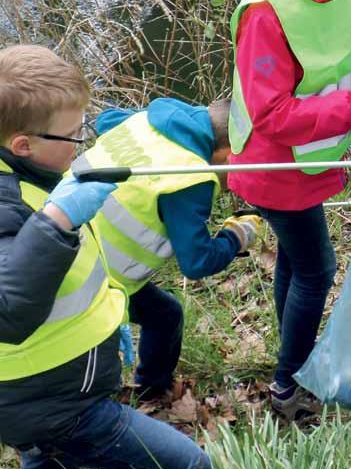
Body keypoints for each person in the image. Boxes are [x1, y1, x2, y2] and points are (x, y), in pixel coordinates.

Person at [0, 45, 210, 469]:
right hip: (55, 404)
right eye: (71, 134)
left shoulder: (30, 174)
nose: (80, 142)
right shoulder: (11, 205)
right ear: (24, 143)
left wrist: (106, 319)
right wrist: (58, 218)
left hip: (44, 392)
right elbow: (10, 308)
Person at [228, 0, 351, 420]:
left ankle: (290, 362)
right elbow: (271, 114)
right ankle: (289, 384)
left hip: (314, 155)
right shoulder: (266, 10)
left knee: (294, 258)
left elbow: (343, 45)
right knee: (316, 268)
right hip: (274, 165)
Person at [72, 96, 262, 401]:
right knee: (145, 327)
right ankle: (133, 398)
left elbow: (106, 118)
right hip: (93, 278)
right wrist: (236, 236)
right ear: (229, 156)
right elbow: (197, 262)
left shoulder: (146, 121)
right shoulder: (190, 177)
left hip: (60, 238)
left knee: (164, 315)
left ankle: (151, 389)